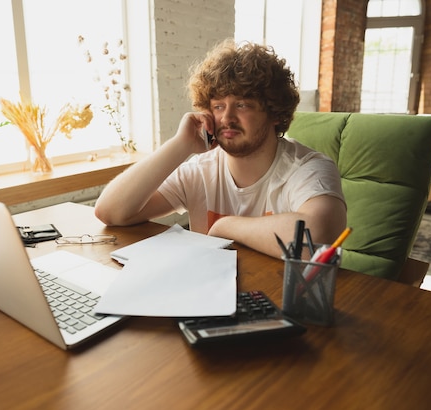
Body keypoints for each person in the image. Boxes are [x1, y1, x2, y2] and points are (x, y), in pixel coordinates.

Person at [94, 39, 346, 259]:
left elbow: (319, 235)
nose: (227, 118)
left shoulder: (309, 168)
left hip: (280, 300)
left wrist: (226, 226)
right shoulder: (199, 171)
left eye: (243, 105)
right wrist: (179, 146)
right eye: (218, 106)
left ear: (274, 114)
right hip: (208, 297)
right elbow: (111, 212)